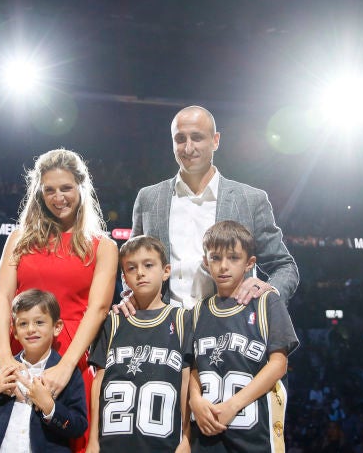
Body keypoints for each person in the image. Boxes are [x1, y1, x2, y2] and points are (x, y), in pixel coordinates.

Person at [128, 104, 300, 444]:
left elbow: (286, 266)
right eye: (180, 139)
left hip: (226, 345)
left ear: (216, 140)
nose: (188, 147)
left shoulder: (251, 199)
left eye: (197, 137)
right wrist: (129, 299)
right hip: (165, 340)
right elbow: (133, 265)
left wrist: (263, 290)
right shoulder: (148, 199)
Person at [0, 148, 119, 453]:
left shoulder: (103, 246)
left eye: (66, 188)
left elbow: (99, 309)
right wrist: (4, 361)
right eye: (49, 190)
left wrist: (66, 367)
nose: (58, 197)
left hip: (70, 356)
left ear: (81, 187)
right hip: (16, 354)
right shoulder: (18, 238)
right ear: (39, 192)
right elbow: (2, 299)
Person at [188, 220, 299, 452]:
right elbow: (194, 367)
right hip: (207, 437)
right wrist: (195, 400)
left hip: (256, 436)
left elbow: (278, 365)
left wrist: (232, 405)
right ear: (205, 262)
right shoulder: (197, 312)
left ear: (249, 263)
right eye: (216, 258)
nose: (223, 266)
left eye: (233, 258)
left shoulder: (267, 302)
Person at [87, 235, 193, 453]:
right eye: (131, 268)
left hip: (163, 443)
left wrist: (187, 437)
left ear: (166, 271)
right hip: (113, 443)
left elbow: (186, 382)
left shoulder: (182, 319)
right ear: (124, 277)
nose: (140, 273)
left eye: (148, 265)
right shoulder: (113, 320)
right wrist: (93, 441)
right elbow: (99, 381)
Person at [0, 289, 88, 452]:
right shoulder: (4, 369)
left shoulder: (65, 373)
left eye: (39, 322)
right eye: (23, 324)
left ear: (57, 327)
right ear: (15, 332)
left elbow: (78, 426)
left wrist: (49, 407)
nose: (31, 329)